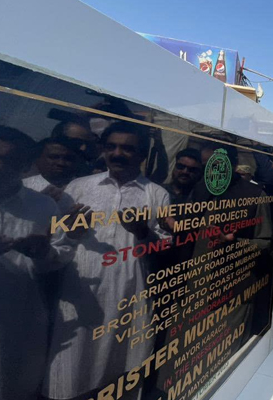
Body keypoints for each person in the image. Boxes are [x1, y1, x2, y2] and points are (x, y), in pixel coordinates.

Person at [43, 121, 171, 399]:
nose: (118, 154)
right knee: (71, 370)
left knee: (123, 367)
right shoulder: (78, 187)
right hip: (79, 293)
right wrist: (71, 232)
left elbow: (165, 249)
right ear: (102, 150)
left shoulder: (156, 194)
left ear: (141, 156)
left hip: (129, 295)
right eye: (111, 147)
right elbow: (54, 244)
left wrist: (142, 231)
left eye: (127, 149)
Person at [0, 126, 73, 400]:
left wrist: (43, 253)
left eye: (7, 160)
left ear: (24, 164)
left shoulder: (43, 206)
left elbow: (61, 255)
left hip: (22, 323)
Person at [22, 136, 84, 208]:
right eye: (53, 157)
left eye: (68, 158)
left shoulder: (86, 186)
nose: (61, 163)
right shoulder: (23, 187)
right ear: (37, 158)